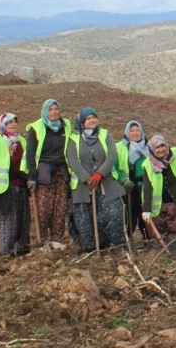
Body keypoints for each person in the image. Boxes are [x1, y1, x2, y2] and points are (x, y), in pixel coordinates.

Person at [66, 107, 125, 252]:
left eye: (94, 117)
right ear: (82, 122)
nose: (92, 121)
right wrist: (87, 178)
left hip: (106, 182)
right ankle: (91, 248)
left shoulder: (105, 135)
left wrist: (100, 173)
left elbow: (112, 155)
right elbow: (72, 160)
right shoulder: (74, 139)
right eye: (88, 118)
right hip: (83, 185)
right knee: (84, 218)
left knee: (114, 212)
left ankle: (114, 243)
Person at [22, 99, 72, 244]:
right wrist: (32, 175)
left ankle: (57, 239)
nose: (54, 112)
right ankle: (42, 240)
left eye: (56, 108)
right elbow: (30, 153)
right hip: (43, 170)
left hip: (62, 171)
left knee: (60, 208)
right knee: (44, 209)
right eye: (50, 109)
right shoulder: (36, 127)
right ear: (45, 111)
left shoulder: (66, 125)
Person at [0, 113, 30, 256]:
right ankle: (6, 251)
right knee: (8, 219)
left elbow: (28, 160)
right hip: (4, 187)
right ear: (2, 125)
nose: (13, 124)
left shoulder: (22, 141)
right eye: (9, 122)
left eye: (15, 121)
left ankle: (22, 248)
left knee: (23, 218)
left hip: (22, 185)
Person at [141, 135, 176, 245]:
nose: (161, 150)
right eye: (157, 147)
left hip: (173, 201)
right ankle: (161, 251)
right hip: (157, 205)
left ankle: (174, 248)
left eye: (163, 146)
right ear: (152, 149)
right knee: (159, 229)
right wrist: (146, 209)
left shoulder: (174, 155)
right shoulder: (148, 165)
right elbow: (147, 188)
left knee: (175, 228)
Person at [115, 121, 149, 239]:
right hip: (128, 188)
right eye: (132, 130)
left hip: (145, 187)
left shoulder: (149, 147)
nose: (135, 133)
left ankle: (148, 238)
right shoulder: (119, 147)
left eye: (137, 130)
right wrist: (122, 180)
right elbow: (113, 167)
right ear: (127, 132)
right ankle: (127, 238)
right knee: (129, 214)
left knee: (145, 213)